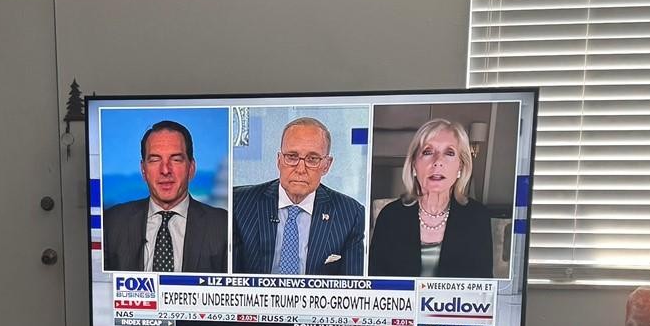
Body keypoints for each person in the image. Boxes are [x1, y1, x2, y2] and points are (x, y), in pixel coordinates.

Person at [231, 117, 364, 275]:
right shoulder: (238, 203)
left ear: (326, 165)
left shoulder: (350, 214)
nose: (301, 169)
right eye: (292, 157)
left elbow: (352, 285)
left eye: (312, 159)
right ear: (279, 160)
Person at [368, 119, 494, 277]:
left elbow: (484, 284)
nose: (438, 161)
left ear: (460, 167)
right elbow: (375, 282)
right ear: (414, 164)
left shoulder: (477, 217)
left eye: (449, 153)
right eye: (428, 152)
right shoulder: (390, 216)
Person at [102, 120, 229, 273]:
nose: (165, 170)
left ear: (191, 168)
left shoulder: (223, 226)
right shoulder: (112, 223)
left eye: (176, 159)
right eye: (155, 160)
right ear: (143, 170)